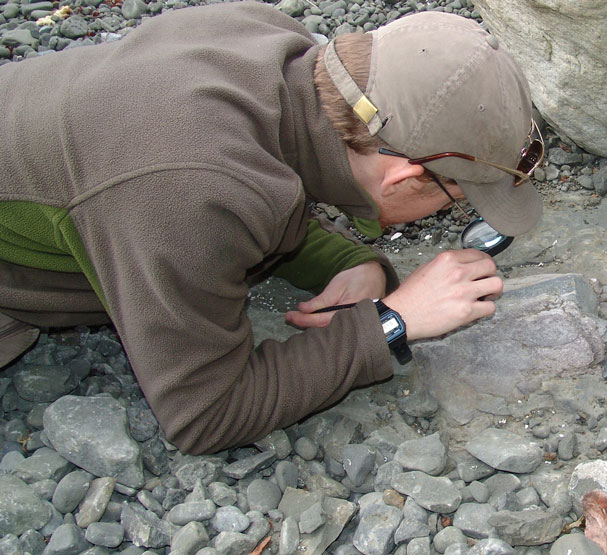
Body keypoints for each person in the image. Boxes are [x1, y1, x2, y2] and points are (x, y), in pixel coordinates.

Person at [0, 1, 543, 454]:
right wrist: (390, 323)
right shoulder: (187, 191)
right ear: (402, 178)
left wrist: (354, 263)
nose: (451, 213)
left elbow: (257, 195)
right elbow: (205, 413)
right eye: (456, 199)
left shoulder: (276, 46)